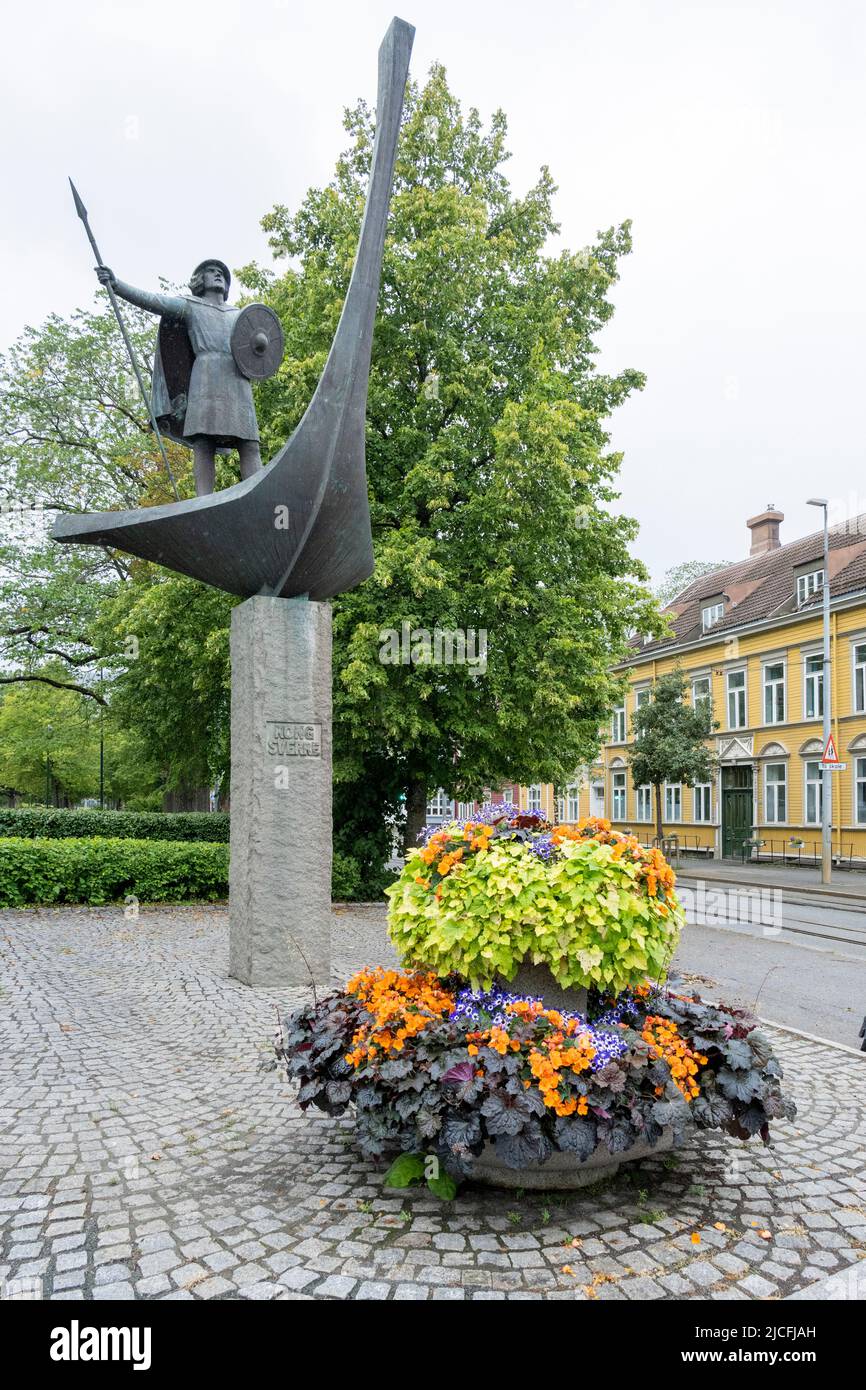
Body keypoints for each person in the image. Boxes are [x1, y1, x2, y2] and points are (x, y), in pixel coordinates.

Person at [96, 259, 262, 497]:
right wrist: (117, 285)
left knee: (249, 443)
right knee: (204, 442)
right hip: (205, 376)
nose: (218, 275)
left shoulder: (239, 315)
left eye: (221, 274)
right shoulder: (190, 305)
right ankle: (203, 500)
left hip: (238, 379)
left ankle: (257, 496)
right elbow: (154, 301)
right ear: (199, 281)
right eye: (211, 272)